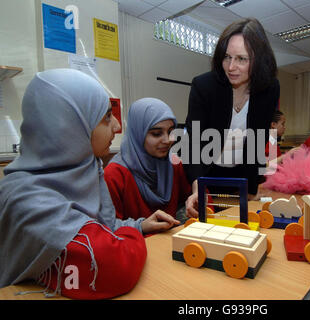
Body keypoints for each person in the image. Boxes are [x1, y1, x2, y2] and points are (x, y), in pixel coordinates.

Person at [0, 69, 176, 299]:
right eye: (106, 117)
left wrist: (139, 226)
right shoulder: (24, 199)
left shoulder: (86, 169)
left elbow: (99, 227)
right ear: (68, 125)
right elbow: (112, 265)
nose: (115, 126)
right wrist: (126, 235)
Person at [183, 18, 280, 218]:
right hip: (207, 175)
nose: (231, 67)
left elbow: (258, 138)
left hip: (242, 176)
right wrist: (197, 187)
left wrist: (252, 186)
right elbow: (192, 145)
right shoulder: (204, 86)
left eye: (241, 59)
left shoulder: (270, 89)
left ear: (259, 60)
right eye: (227, 57)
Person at [104, 98, 189, 224]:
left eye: (171, 132)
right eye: (156, 133)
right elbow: (108, 228)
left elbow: (197, 198)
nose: (167, 140)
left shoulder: (174, 164)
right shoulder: (114, 175)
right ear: (138, 134)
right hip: (135, 242)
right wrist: (141, 227)